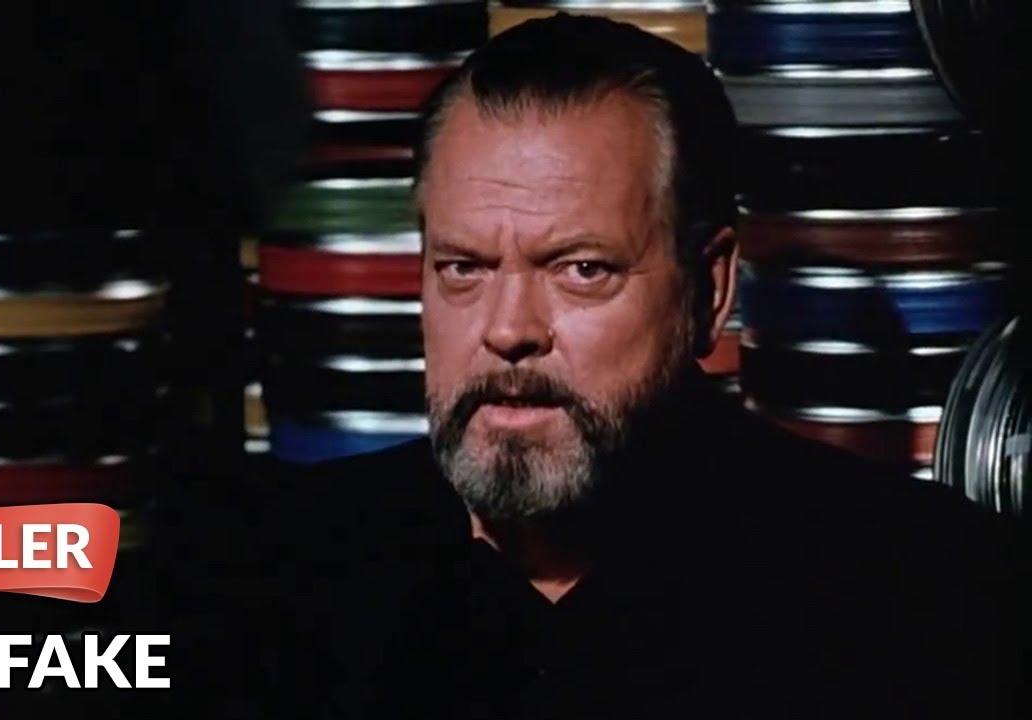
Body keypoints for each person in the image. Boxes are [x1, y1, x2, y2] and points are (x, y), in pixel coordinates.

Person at [191, 14, 1028, 719]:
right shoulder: (263, 582)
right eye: (463, 268)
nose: (508, 330)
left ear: (708, 289)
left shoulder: (928, 595)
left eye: (581, 269)